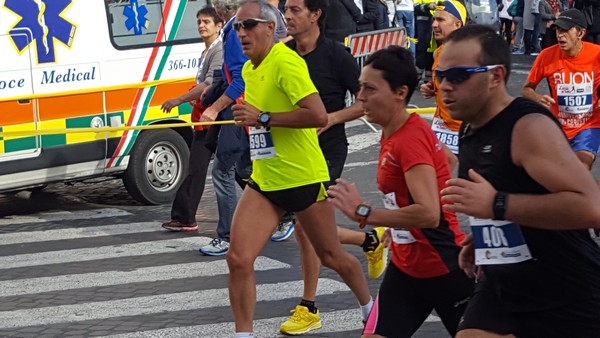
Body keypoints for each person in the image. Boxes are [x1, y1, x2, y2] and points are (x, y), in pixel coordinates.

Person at [437, 24, 600, 337]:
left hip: (565, 292)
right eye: (441, 75)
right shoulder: (470, 126)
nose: (445, 86)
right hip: (505, 282)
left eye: (457, 75)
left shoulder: (527, 126)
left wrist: (496, 205)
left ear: (496, 76)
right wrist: (486, 237)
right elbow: (511, 195)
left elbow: (590, 206)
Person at [225, 1, 374, 336]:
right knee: (238, 258)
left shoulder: (286, 62)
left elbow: (318, 115)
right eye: (235, 27)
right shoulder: (250, 69)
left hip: (303, 176)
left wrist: (262, 117)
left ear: (268, 27)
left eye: (248, 24)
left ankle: (370, 308)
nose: (241, 33)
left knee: (331, 254)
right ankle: (243, 333)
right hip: (266, 177)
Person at [327, 45, 473, 338]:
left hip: (445, 268)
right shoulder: (397, 129)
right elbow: (447, 160)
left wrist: (364, 212)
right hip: (406, 270)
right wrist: (400, 221)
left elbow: (430, 214)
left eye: (370, 89)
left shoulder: (409, 138)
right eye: (359, 88)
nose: (361, 97)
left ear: (400, 92)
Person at [278, 0, 386, 334]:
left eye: (295, 9)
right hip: (291, 153)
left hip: (327, 151)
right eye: (286, 9)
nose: (287, 16)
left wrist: (330, 118)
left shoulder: (336, 55)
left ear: (315, 15)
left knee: (304, 230)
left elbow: (364, 102)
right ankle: (369, 241)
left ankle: (309, 306)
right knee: (309, 228)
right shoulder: (282, 54)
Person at [160, 7, 224, 233]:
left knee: (233, 170)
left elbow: (210, 84)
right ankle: (185, 217)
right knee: (197, 168)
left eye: (206, 21)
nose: (201, 25)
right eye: (199, 22)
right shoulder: (206, 52)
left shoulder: (219, 50)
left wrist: (178, 99)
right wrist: (195, 100)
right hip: (202, 119)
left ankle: (279, 209)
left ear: (219, 25)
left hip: (214, 120)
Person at [198, 0, 253, 256]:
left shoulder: (233, 32)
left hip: (239, 109)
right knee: (245, 168)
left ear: (220, 10)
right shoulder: (234, 30)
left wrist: (213, 107)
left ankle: (227, 236)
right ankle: (284, 213)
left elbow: (240, 78)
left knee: (223, 170)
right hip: (244, 109)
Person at [522, 8, 600, 170]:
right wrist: (537, 98)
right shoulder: (546, 56)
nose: (560, 34)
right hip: (557, 126)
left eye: (565, 30)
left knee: (581, 166)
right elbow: (526, 89)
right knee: (552, 173)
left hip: (589, 125)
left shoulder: (596, 54)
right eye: (558, 29)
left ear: (581, 33)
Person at [420, 0, 466, 163]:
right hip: (441, 126)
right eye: (434, 19)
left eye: (440, 20)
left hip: (464, 129)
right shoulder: (439, 52)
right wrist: (432, 87)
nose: (434, 25)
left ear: (457, 24)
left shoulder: (468, 54)